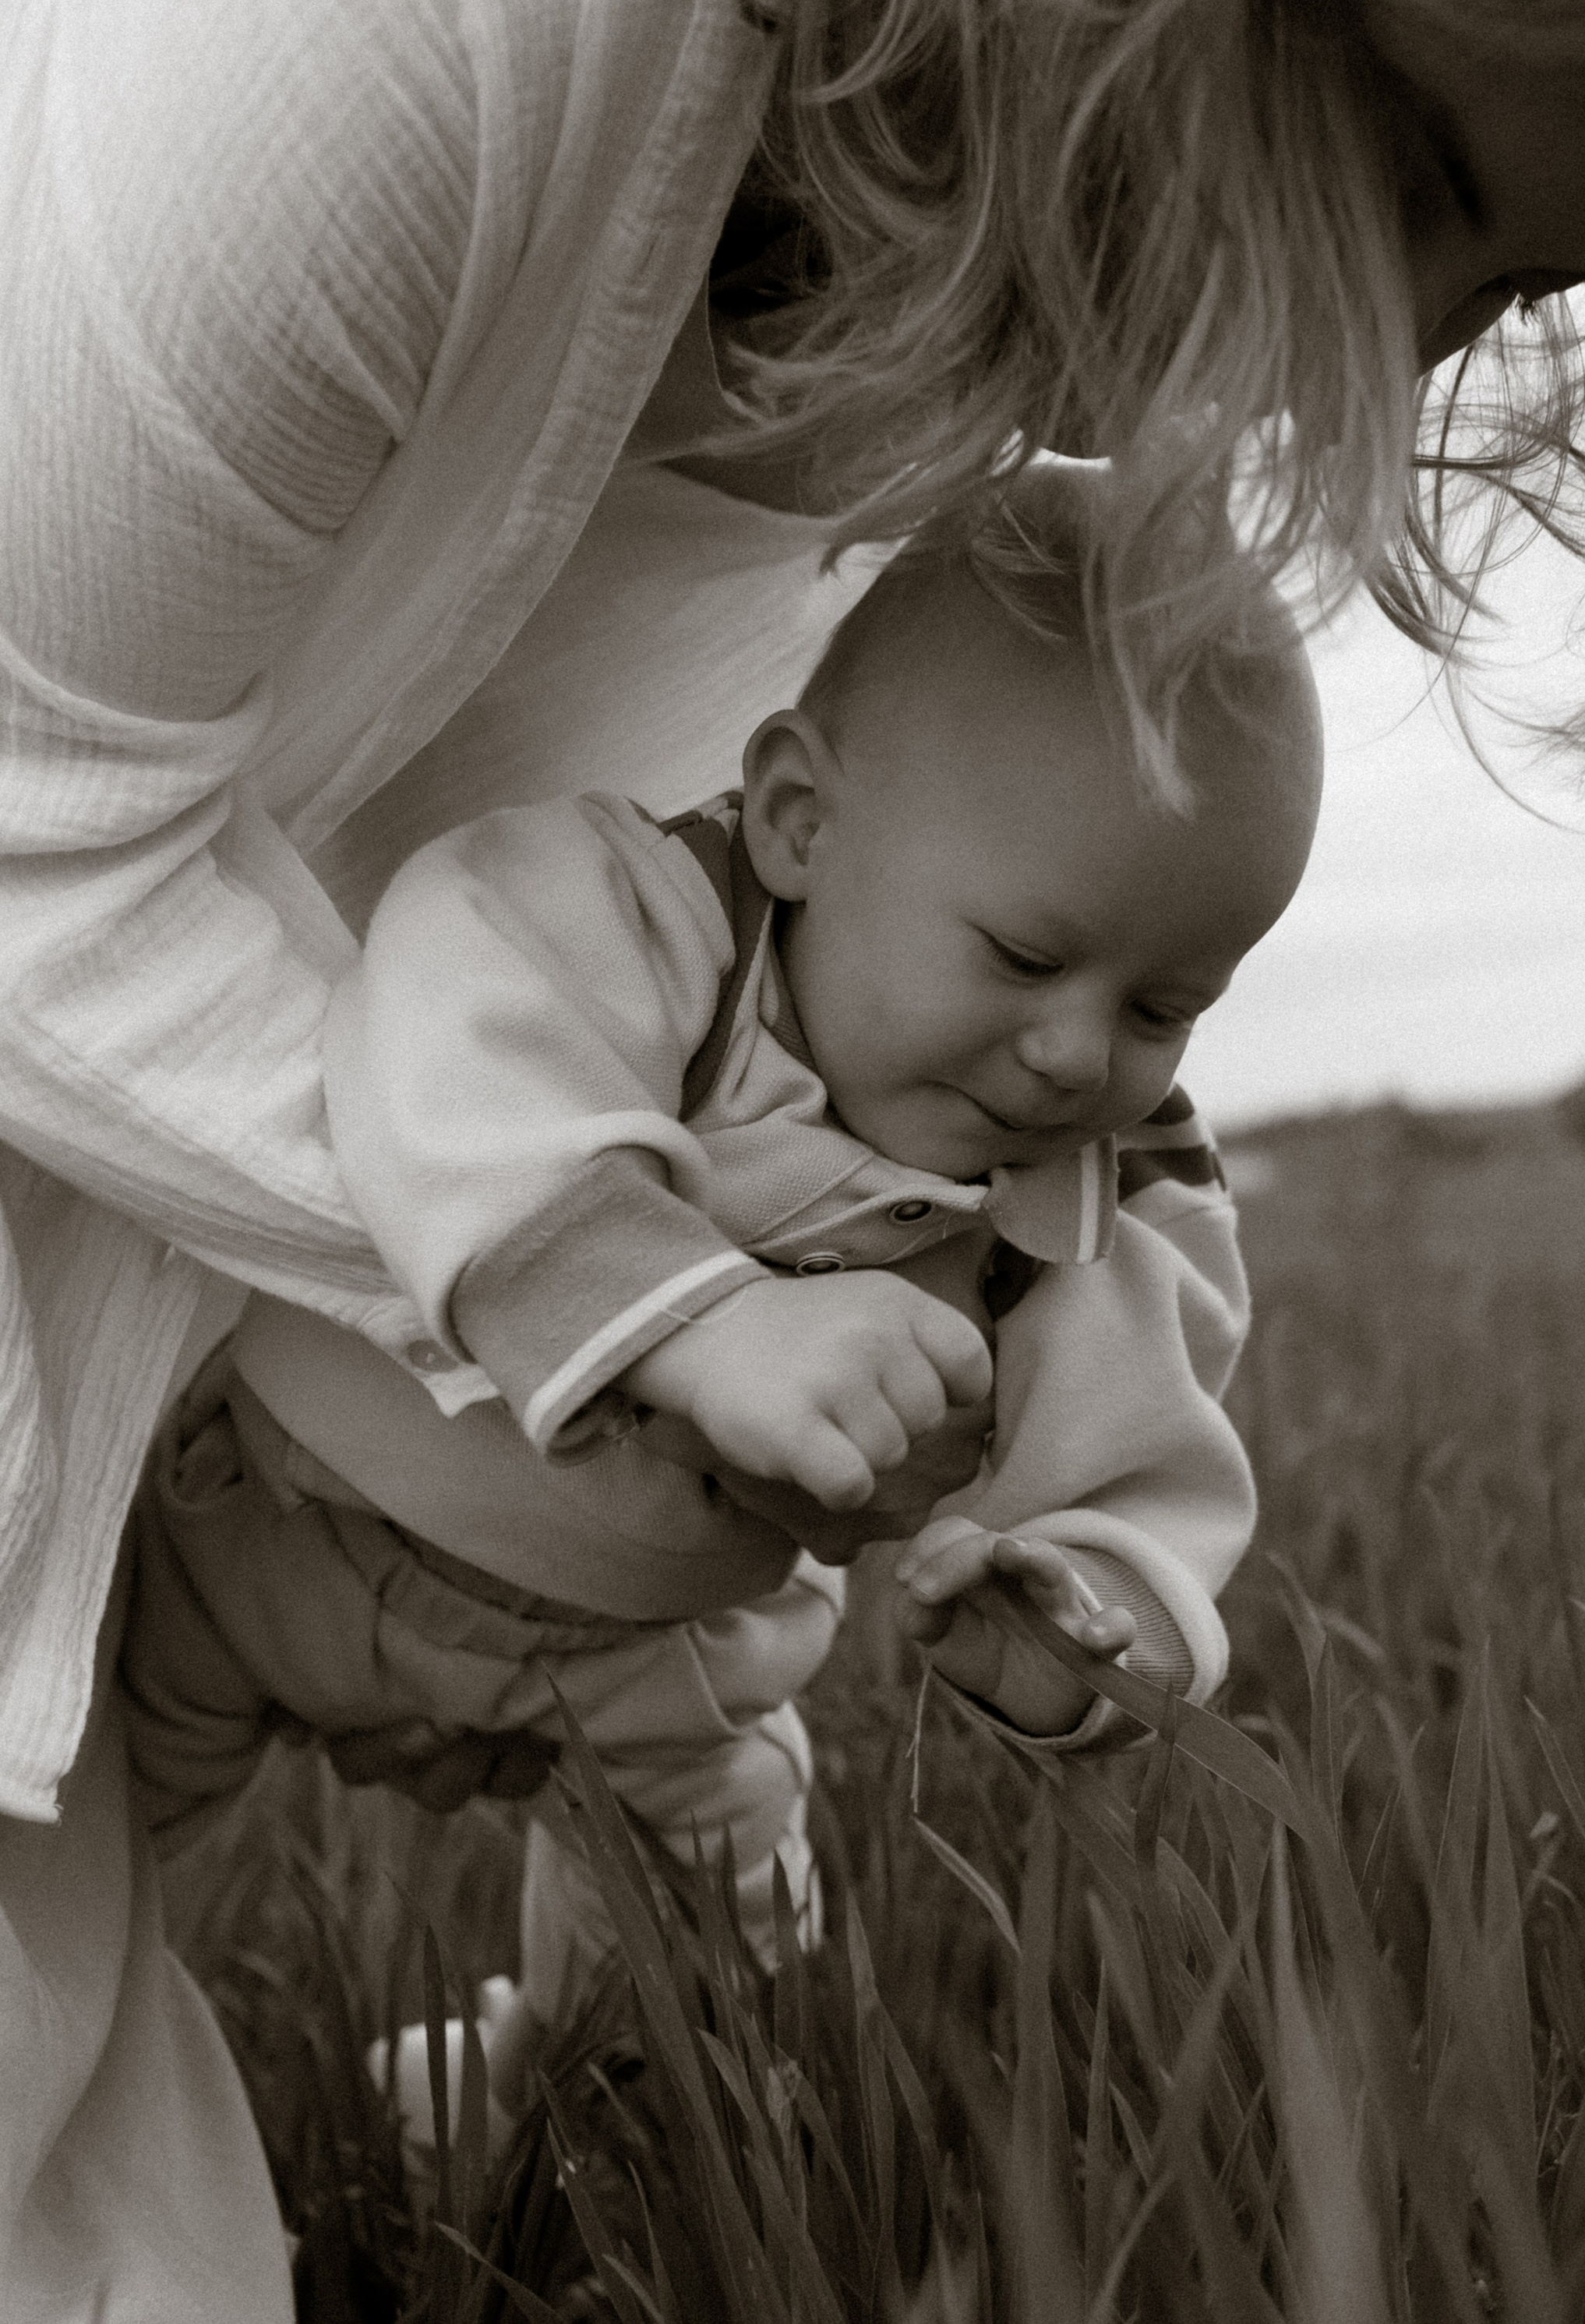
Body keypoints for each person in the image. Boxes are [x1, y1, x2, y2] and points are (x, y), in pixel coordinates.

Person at [1, 0, 1585, 2313]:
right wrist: (672, 1303)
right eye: (1406, 175)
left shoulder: (974, 278)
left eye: (1504, 294)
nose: (1378, 379)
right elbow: (49, 830)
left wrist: (1061, 1550)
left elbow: (1026, 1253)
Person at [118, 463, 1321, 2126]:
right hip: (272, 1523)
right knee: (67, 1827)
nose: (1071, 1056)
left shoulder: (1106, 1187)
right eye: (1028, 959)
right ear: (798, 822)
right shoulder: (633, 910)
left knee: (713, 1958)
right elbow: (447, 1051)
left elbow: (1141, 1440)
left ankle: (541, 2124)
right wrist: (702, 1319)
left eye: (1163, 1006)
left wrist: (1075, 1600)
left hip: (655, 1651)